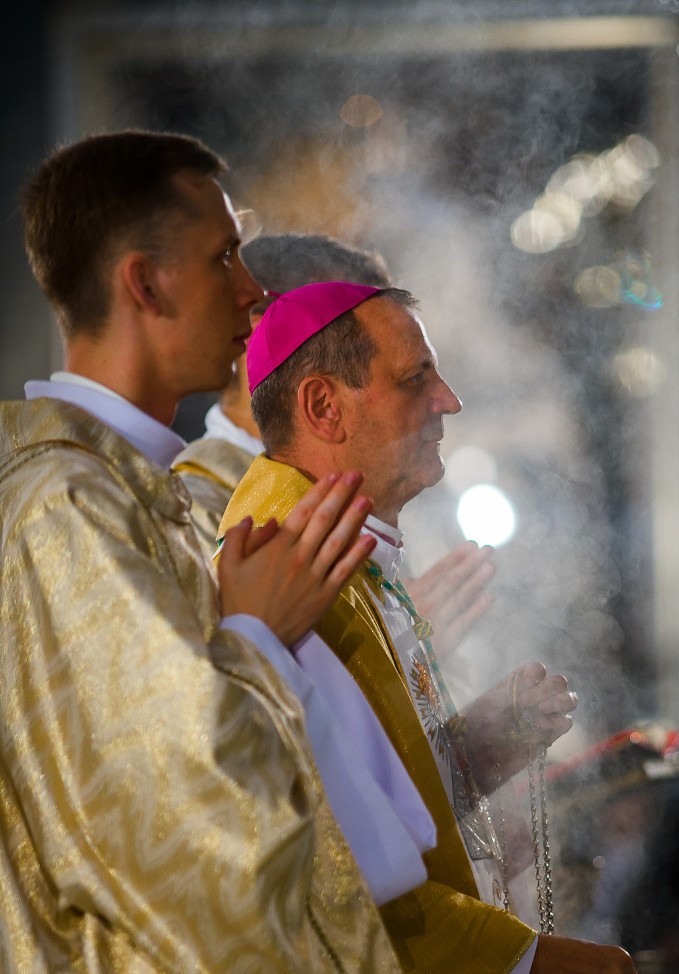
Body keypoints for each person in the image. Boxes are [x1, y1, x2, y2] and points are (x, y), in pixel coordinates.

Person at [0, 131, 428, 974]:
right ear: (145, 281)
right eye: (227, 256)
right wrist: (253, 637)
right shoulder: (63, 516)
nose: (253, 293)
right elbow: (188, 836)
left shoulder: (159, 502)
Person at [220, 282, 646, 974]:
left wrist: (477, 748)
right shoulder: (290, 559)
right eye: (416, 379)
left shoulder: (349, 551)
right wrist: (528, 965)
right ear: (324, 407)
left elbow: (377, 794)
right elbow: (318, 857)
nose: (448, 399)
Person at [173, 232, 495, 659]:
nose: (448, 402)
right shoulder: (184, 512)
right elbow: (221, 702)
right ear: (259, 334)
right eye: (345, 316)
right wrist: (394, 641)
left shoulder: (360, 492)